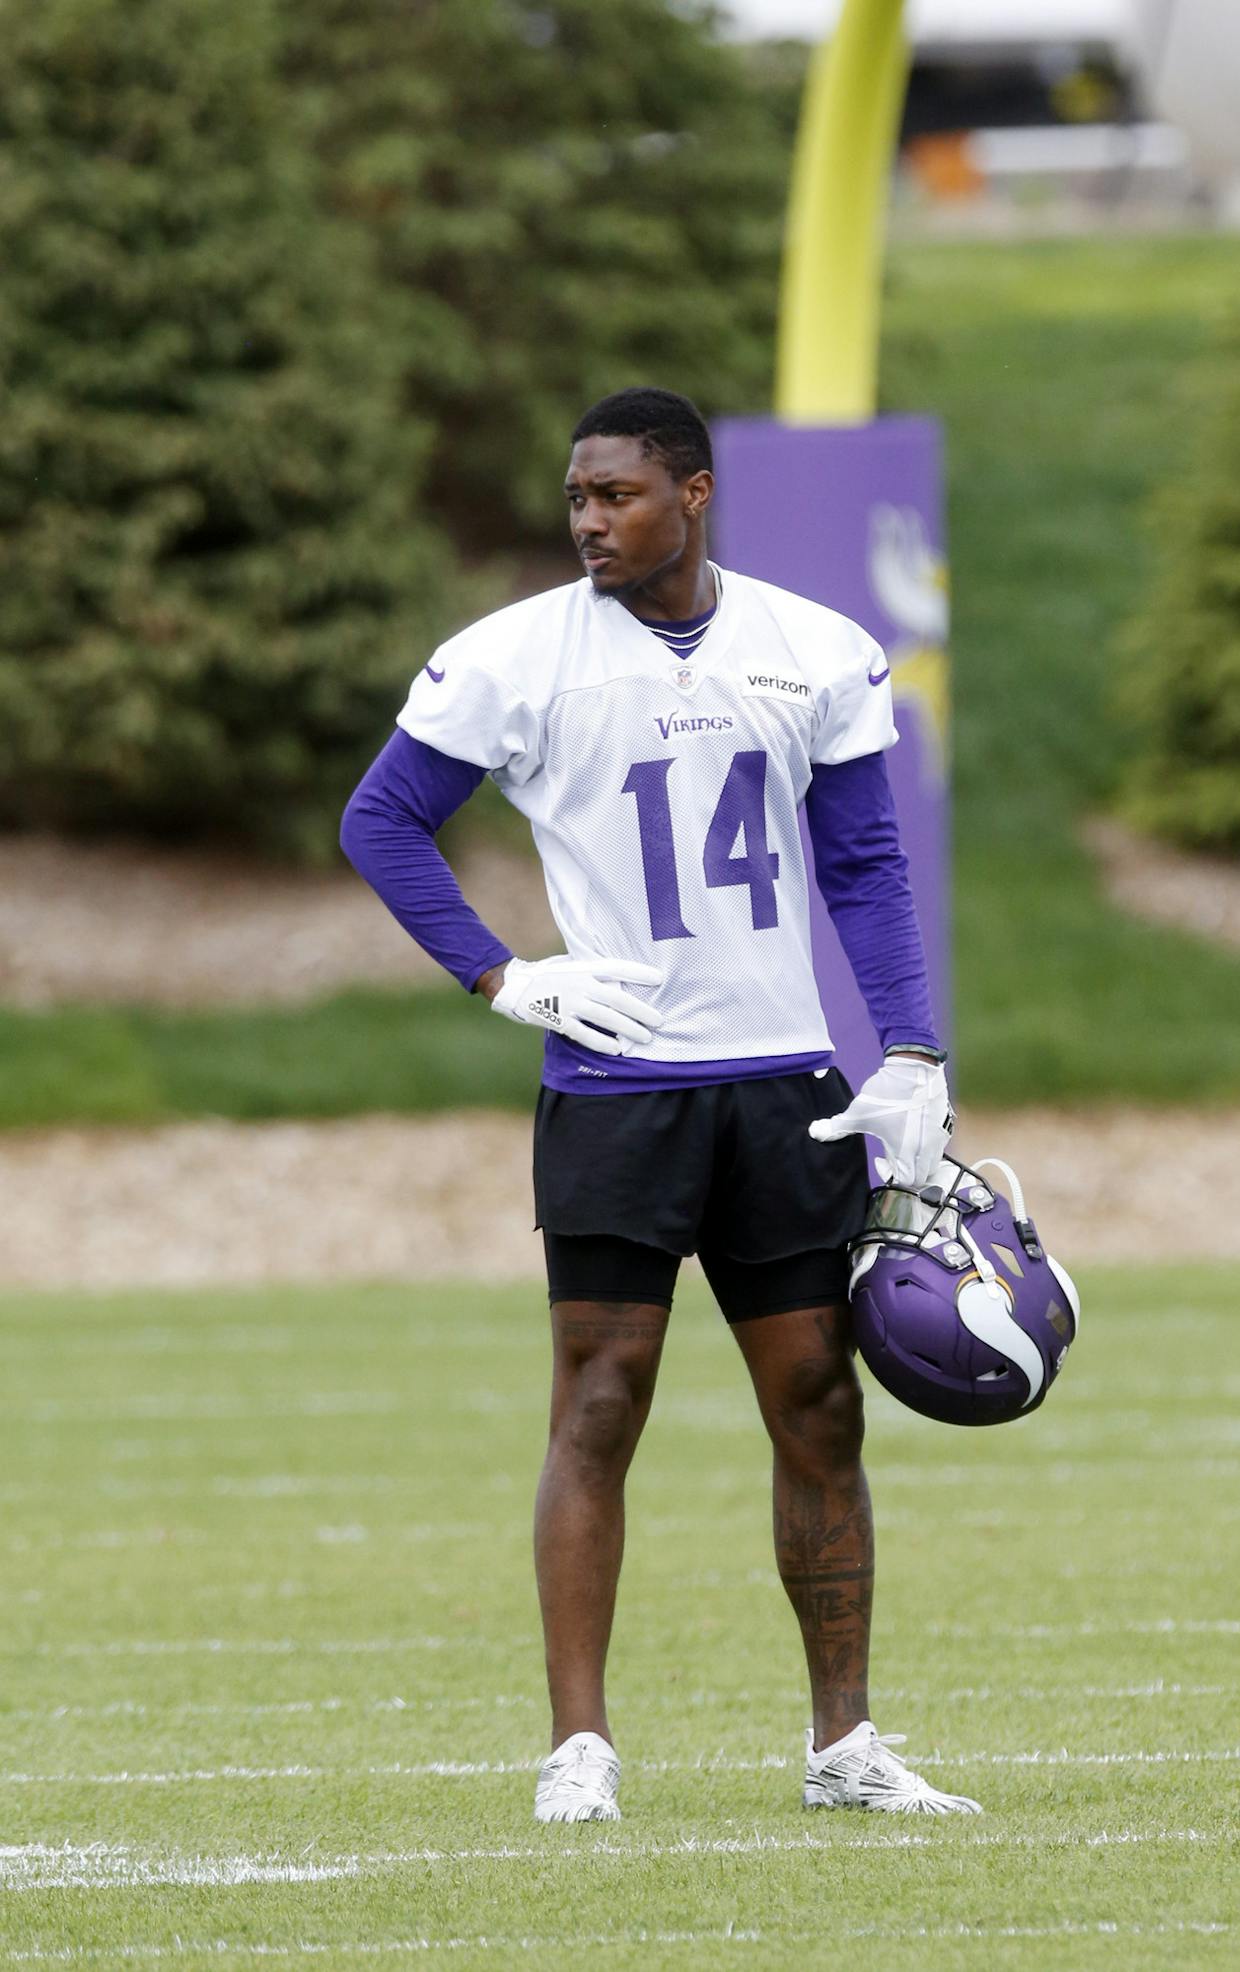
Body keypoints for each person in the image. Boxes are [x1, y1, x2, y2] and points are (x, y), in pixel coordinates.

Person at [341, 387, 980, 1824]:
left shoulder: (812, 648)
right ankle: (581, 1749)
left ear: (694, 496)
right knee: (600, 1402)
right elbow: (379, 820)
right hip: (618, 1086)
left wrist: (914, 1053)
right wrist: (504, 980)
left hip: (780, 1087)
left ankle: (845, 1745)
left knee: (819, 1406)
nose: (589, 524)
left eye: (618, 497)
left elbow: (865, 871)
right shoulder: (515, 655)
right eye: (576, 499)